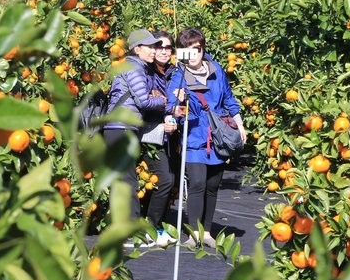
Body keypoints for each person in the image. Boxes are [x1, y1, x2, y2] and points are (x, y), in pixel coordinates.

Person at [166, 27, 247, 248]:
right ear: (182, 52)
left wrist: (240, 124)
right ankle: (193, 233)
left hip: (217, 136)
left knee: (212, 185)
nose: (195, 54)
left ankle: (207, 232)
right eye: (189, 50)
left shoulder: (216, 70)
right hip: (194, 137)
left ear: (203, 49)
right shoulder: (179, 75)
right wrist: (180, 104)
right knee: (198, 184)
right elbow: (172, 111)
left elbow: (229, 99)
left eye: (198, 49)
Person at [102, 28, 167, 237]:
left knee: (124, 180)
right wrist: (164, 101)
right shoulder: (134, 68)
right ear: (137, 49)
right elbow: (144, 101)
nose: (154, 51)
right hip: (119, 129)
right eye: (150, 47)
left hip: (120, 128)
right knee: (128, 181)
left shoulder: (137, 67)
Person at [137, 30, 178, 246]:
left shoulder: (174, 72)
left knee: (168, 182)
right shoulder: (147, 72)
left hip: (169, 136)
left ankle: (157, 225)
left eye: (167, 47)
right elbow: (143, 103)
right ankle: (150, 227)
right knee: (164, 179)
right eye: (159, 47)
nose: (163, 51)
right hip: (149, 135)